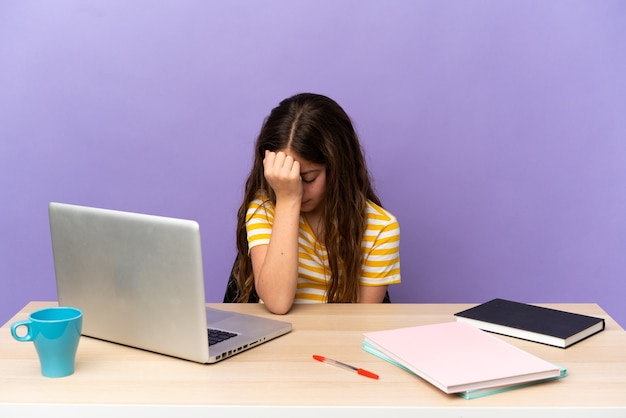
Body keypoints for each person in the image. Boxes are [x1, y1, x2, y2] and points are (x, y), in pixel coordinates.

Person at [231, 93, 400, 314]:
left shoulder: (381, 229)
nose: (297, 189)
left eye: (308, 178)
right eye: (286, 178)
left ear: (339, 168)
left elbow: (361, 323)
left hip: (337, 344)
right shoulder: (265, 208)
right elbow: (277, 302)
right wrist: (287, 201)